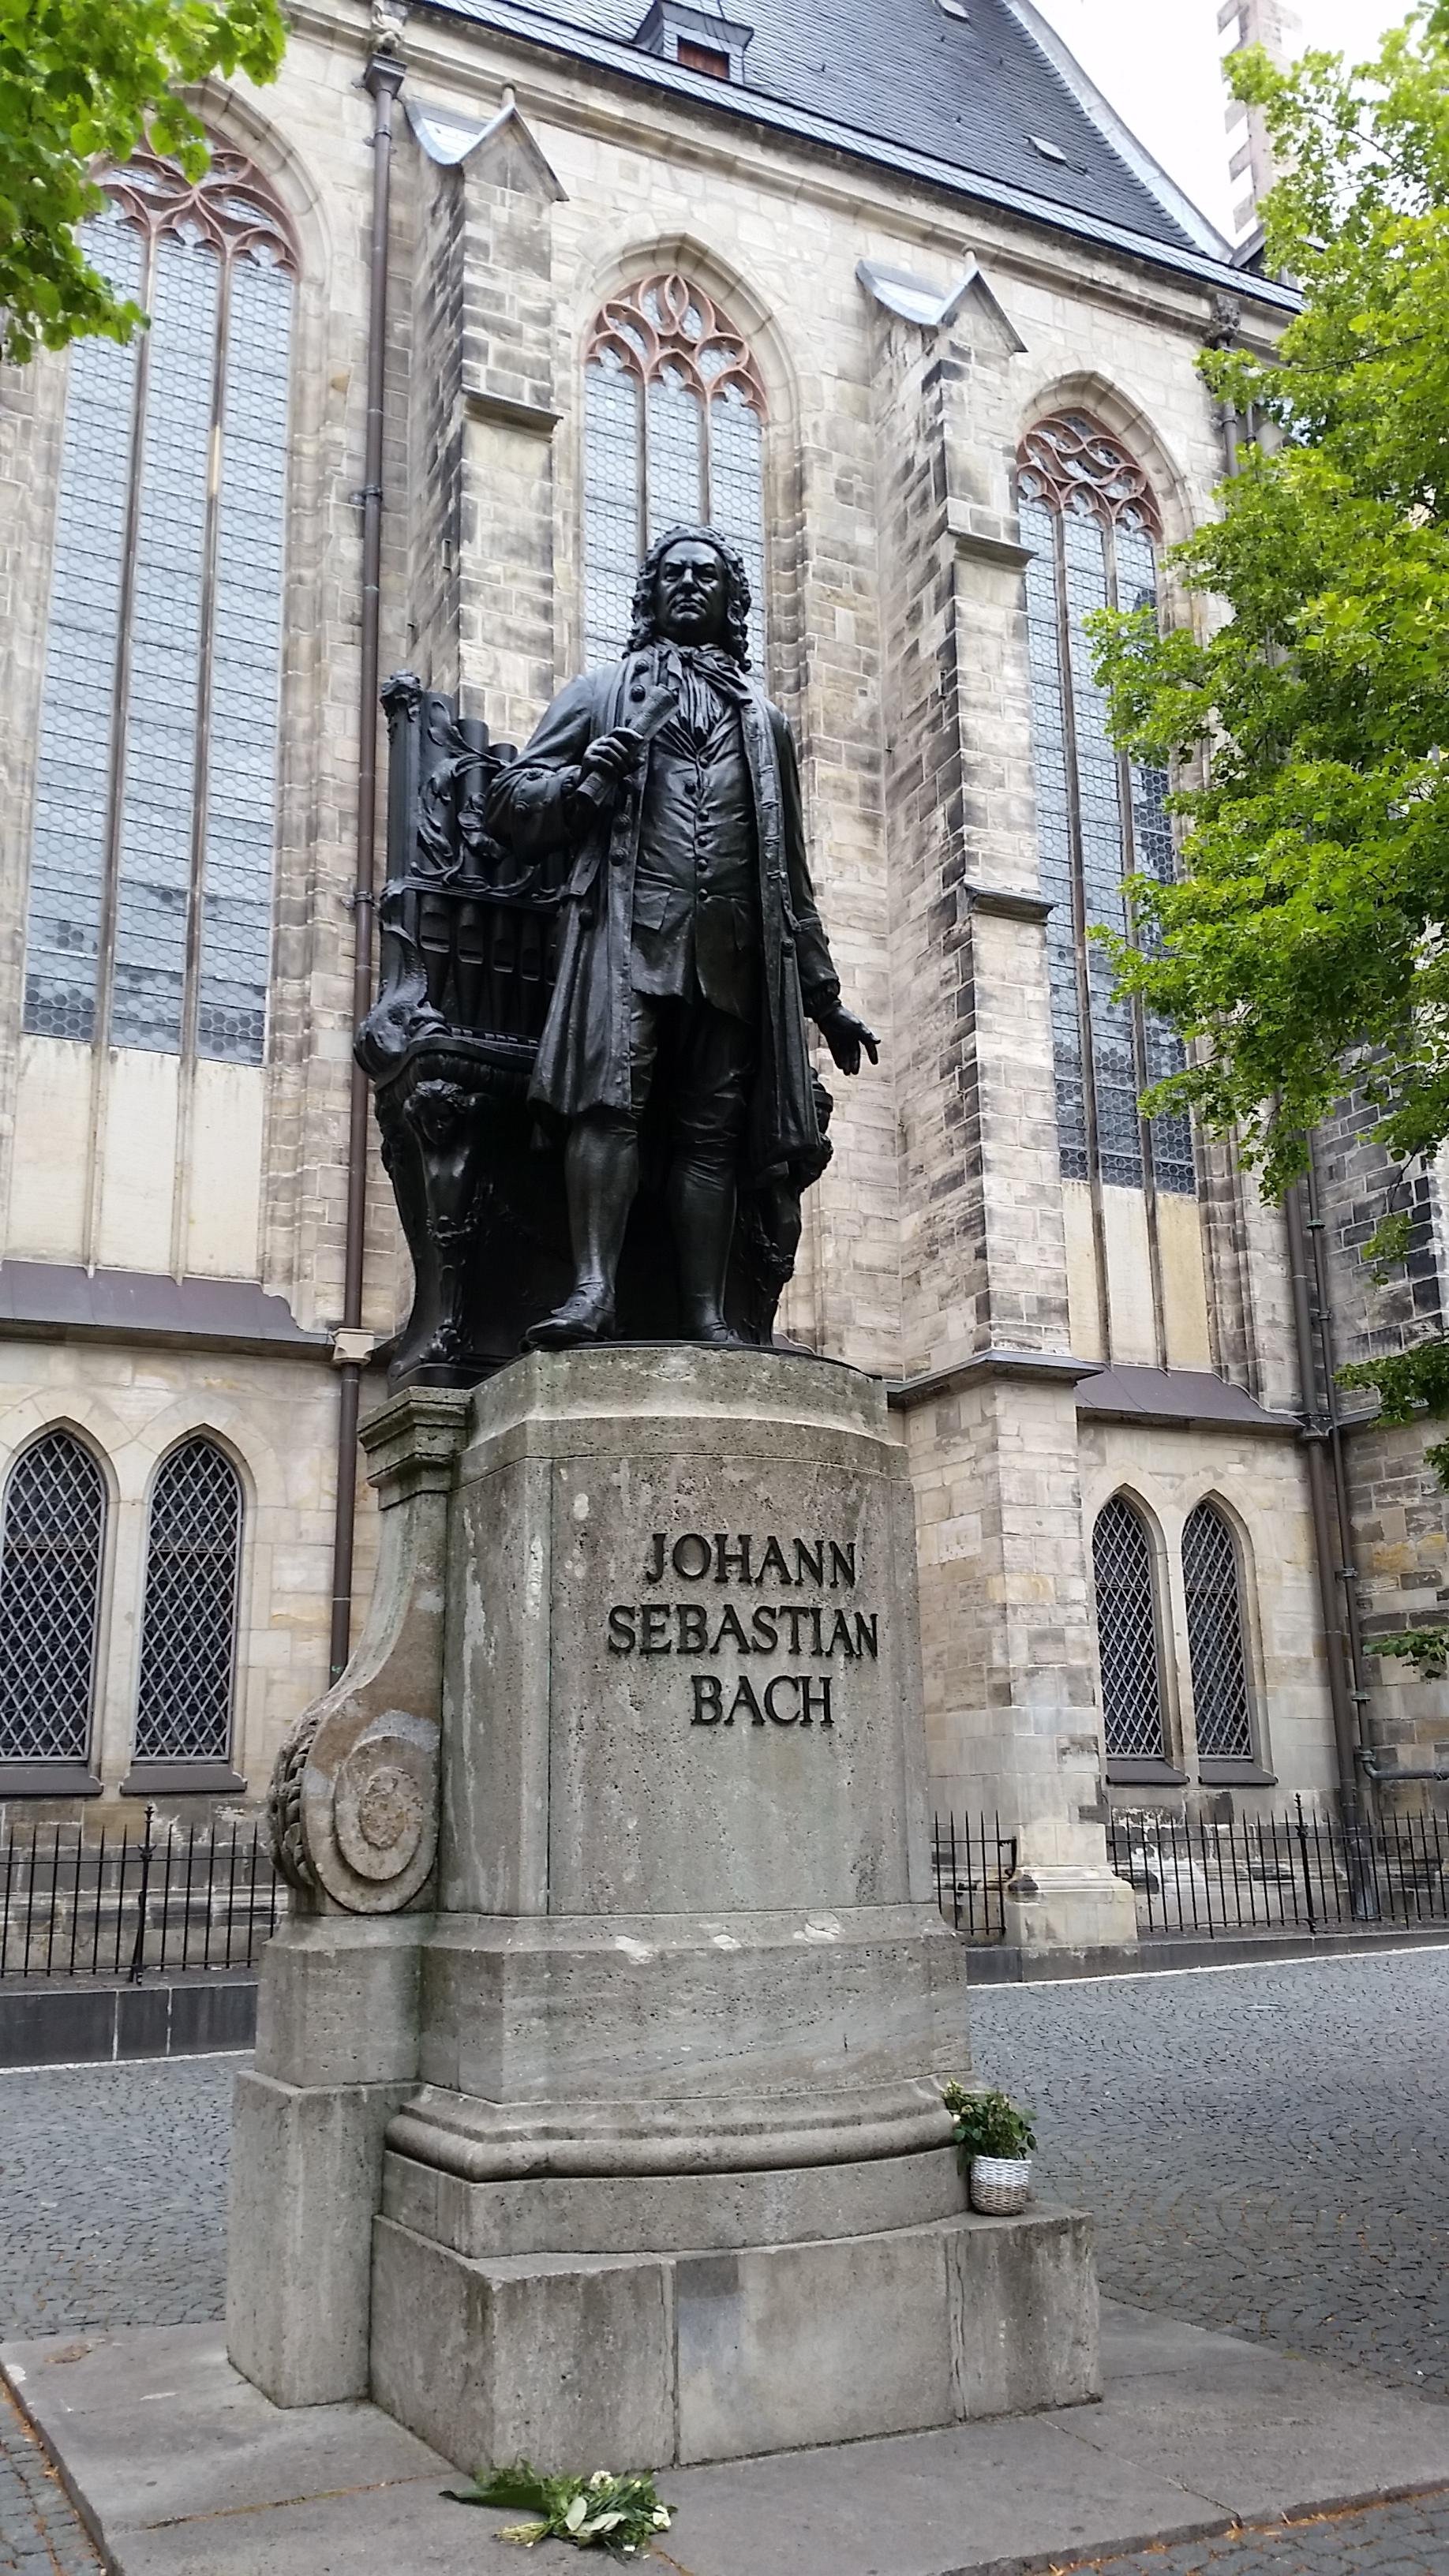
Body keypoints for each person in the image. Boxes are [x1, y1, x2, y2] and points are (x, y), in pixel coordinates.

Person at [489, 525, 877, 1346]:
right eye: (675, 574)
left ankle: (707, 1314)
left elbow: (791, 874)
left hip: (729, 954)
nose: (691, 584)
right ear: (651, 595)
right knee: (608, 1104)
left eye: (708, 575)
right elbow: (511, 802)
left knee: (713, 1132)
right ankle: (593, 1293)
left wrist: (825, 999)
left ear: (732, 601)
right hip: (626, 940)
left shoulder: (765, 723)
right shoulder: (601, 694)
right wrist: (591, 775)